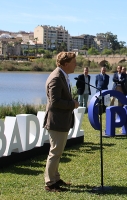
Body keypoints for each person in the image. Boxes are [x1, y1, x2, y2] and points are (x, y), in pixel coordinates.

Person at [43, 51, 79, 192]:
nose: (76, 64)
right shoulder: (56, 78)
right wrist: (72, 104)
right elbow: (55, 102)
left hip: (61, 120)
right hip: (56, 121)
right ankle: (50, 183)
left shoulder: (62, 76)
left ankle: (55, 178)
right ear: (65, 64)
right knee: (55, 152)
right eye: (73, 62)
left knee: (57, 151)